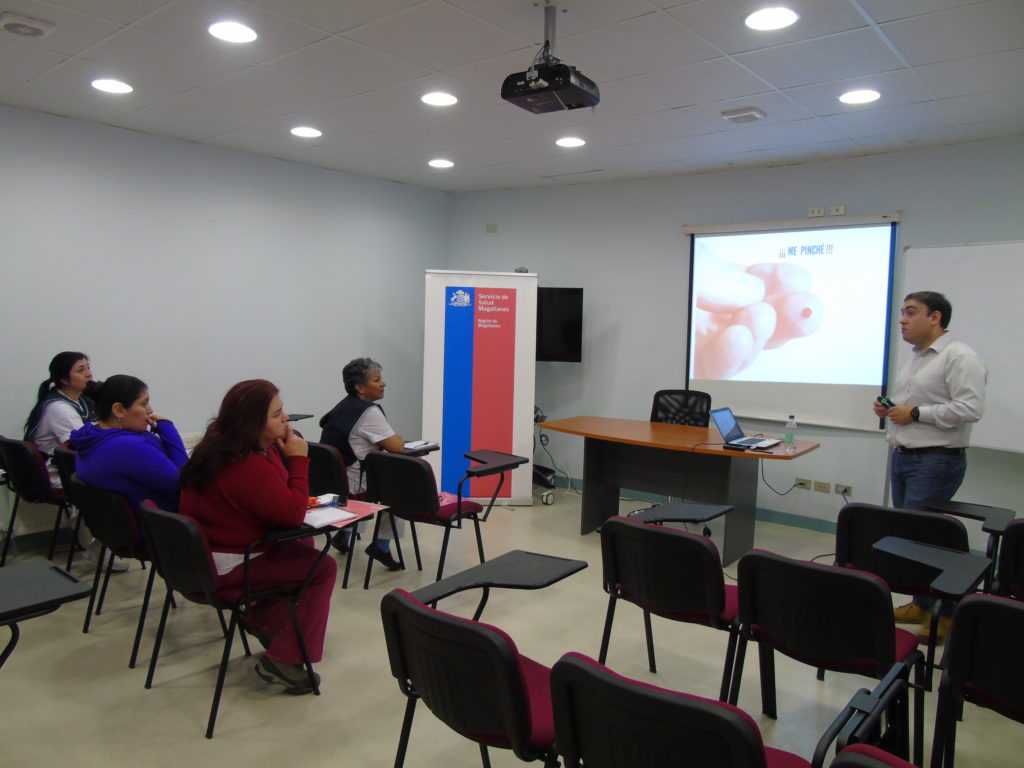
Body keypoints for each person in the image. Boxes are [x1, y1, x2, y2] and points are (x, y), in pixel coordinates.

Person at [180, 379, 336, 695]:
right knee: (322, 567)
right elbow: (291, 513)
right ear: (251, 422)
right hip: (226, 563)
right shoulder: (244, 463)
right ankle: (284, 660)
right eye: (276, 414)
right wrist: (297, 459)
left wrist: (274, 450)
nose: (286, 418)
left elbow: (278, 495)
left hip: (204, 556)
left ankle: (263, 619)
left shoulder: (221, 446)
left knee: (301, 544)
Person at [873, 291, 987, 643]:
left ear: (935, 317)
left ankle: (948, 615)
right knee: (912, 539)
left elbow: (970, 409)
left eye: (911, 313)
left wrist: (916, 412)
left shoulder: (960, 357)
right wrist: (890, 407)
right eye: (902, 313)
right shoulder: (915, 359)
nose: (902, 320)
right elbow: (913, 405)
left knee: (927, 539)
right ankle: (923, 605)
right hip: (904, 455)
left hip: (935, 460)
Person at [319, 357, 405, 570]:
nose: (383, 383)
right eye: (377, 380)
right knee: (400, 489)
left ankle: (345, 533)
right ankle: (382, 545)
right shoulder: (369, 412)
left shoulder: (342, 406)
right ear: (360, 387)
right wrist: (397, 439)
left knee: (373, 473)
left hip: (334, 484)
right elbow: (397, 446)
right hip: (353, 487)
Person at [71, 375, 187, 519]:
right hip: (166, 522)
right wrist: (168, 429)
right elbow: (184, 485)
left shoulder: (90, 435)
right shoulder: (128, 447)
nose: (150, 410)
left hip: (123, 523)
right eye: (144, 404)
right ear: (118, 410)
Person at [24, 351, 95, 487]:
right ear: (64, 379)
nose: (89, 374)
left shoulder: (82, 400)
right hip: (58, 475)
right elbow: (84, 444)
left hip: (71, 467)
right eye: (81, 370)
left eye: (88, 368)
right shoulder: (59, 409)